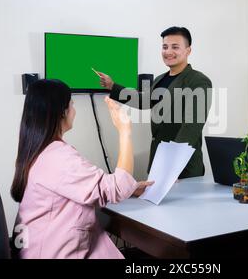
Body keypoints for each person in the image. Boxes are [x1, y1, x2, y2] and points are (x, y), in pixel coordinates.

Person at [11, 79, 153, 259]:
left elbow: (90, 187)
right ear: (62, 112)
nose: (74, 110)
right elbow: (116, 188)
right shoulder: (57, 157)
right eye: (72, 104)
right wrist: (125, 131)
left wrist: (132, 187)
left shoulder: (41, 151)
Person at [97, 26, 212, 179]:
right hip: (158, 161)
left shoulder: (198, 81)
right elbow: (143, 101)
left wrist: (171, 163)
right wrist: (113, 86)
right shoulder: (160, 79)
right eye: (165, 47)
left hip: (182, 166)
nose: (168, 52)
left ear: (188, 50)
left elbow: (192, 127)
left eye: (175, 47)